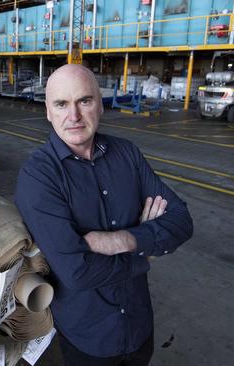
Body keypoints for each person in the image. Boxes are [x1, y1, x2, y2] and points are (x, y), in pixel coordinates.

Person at [14, 64, 193, 366]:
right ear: (48, 111)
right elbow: (77, 272)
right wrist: (145, 250)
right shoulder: (39, 176)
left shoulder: (128, 154)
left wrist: (124, 239)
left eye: (84, 101)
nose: (74, 116)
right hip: (88, 339)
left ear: (100, 103)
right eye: (61, 104)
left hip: (139, 327)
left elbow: (181, 221)